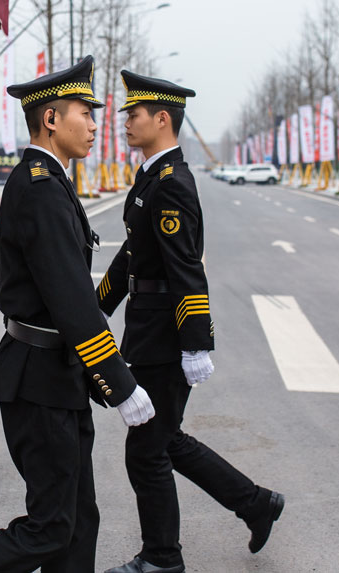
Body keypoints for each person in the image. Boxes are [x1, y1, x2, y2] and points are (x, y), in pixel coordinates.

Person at [0, 56, 155, 573]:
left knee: (78, 521)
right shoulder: (40, 189)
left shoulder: (51, 181)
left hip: (58, 375)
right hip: (39, 379)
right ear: (51, 119)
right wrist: (119, 383)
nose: (95, 125)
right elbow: (71, 301)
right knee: (52, 527)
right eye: (85, 113)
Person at [97, 71, 284, 573]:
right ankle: (255, 503)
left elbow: (185, 268)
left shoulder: (173, 183)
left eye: (134, 115)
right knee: (165, 438)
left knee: (147, 450)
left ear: (162, 119)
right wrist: (99, 306)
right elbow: (134, 254)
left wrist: (195, 343)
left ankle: (162, 558)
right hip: (148, 329)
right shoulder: (151, 177)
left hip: (164, 337)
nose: (125, 123)